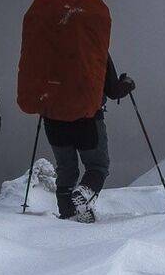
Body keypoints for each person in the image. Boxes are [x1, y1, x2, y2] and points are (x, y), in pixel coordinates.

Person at [43, 57, 136, 222]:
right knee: (98, 166)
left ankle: (68, 214)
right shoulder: (94, 47)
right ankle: (84, 193)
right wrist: (128, 83)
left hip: (53, 118)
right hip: (87, 118)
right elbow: (113, 90)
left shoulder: (49, 47)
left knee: (66, 168)